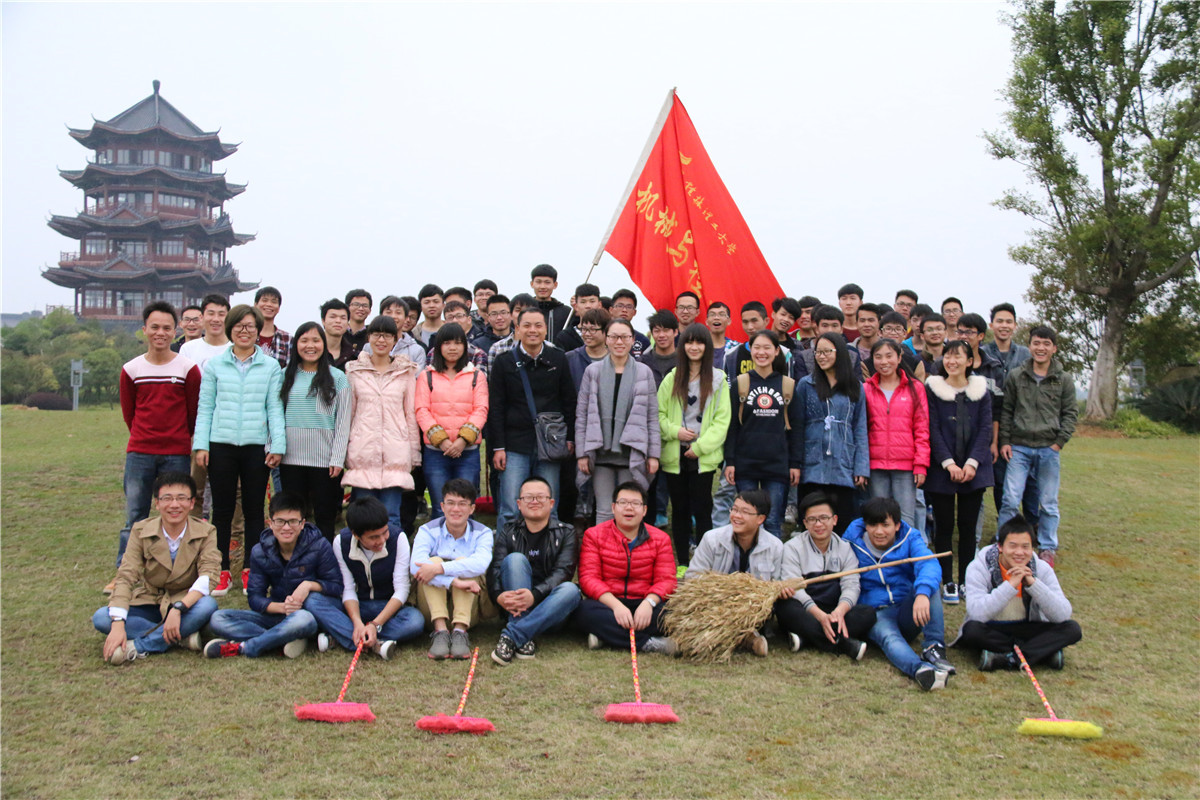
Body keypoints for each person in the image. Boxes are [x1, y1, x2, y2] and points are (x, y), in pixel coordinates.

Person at [193, 304, 286, 595]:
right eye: (239, 326)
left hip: (256, 446)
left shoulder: (270, 366)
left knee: (254, 510)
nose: (244, 331)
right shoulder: (215, 365)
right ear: (230, 329)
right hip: (221, 444)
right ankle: (220, 569)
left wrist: (278, 445)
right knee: (221, 510)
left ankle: (250, 568)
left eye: (250, 326)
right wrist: (201, 444)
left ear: (258, 331)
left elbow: (274, 408)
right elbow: (206, 407)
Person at [108, 302, 201, 593]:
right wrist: (143, 436)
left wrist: (181, 438)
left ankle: (177, 569)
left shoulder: (187, 368)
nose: (160, 333)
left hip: (176, 452)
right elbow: (130, 413)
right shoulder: (131, 369)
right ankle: (125, 572)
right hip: (140, 451)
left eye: (166, 328)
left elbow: (193, 411)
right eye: (155, 327)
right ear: (145, 329)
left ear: (175, 331)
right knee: (135, 514)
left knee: (176, 511)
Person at [92, 472, 219, 664]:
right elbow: (126, 575)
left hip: (186, 602)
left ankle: (139, 646)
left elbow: (208, 576)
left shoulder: (207, 532)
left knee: (208, 605)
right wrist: (117, 624)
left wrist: (178, 609)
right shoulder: (140, 530)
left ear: (192, 503)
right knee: (102, 617)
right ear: (157, 503)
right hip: (149, 600)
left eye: (181, 498)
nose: (174, 505)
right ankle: (181, 636)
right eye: (167, 498)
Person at [205, 492, 343, 658]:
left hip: (308, 615)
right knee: (218, 618)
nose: (286, 527)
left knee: (303, 619)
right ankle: (282, 638)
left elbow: (336, 586)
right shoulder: (260, 551)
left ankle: (246, 647)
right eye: (280, 521)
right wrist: (281, 607)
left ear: (302, 524)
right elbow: (255, 597)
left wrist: (308, 586)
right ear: (270, 523)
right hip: (278, 613)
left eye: (293, 521)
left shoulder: (319, 545)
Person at [845, 497, 955, 690]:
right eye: (873, 525)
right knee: (890, 638)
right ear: (865, 524)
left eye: (885, 525)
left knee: (928, 585)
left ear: (897, 525)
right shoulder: (851, 541)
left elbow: (928, 564)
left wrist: (921, 594)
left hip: (908, 609)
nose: (879, 531)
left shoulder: (910, 537)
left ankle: (934, 647)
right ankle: (921, 670)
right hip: (876, 613)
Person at [305, 496, 426, 659]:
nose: (382, 540)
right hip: (355, 605)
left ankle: (342, 636)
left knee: (415, 621)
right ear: (356, 535)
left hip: (386, 605)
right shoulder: (341, 542)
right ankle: (373, 643)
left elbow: (402, 589)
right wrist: (356, 622)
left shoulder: (399, 538)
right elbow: (347, 588)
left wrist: (375, 625)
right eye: (374, 537)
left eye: (385, 532)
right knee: (313, 601)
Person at [489, 307, 577, 530]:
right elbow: (496, 407)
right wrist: (498, 447)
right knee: (511, 507)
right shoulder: (504, 362)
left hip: (550, 444)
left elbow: (568, 401)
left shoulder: (558, 358)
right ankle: (506, 551)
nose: (533, 330)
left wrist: (570, 438)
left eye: (538, 325)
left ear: (546, 329)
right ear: (517, 329)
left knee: (548, 505)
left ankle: (549, 549)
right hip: (514, 444)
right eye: (526, 325)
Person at [955, 514, 1082, 670]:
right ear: (1000, 547)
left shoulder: (1041, 568)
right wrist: (1010, 585)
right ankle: (1040, 653)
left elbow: (1062, 614)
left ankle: (1008, 658)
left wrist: (1033, 584)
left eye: (1025, 547)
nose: (1019, 552)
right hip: (993, 627)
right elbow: (976, 613)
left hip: (1028, 627)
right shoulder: (979, 567)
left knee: (1072, 629)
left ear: (1032, 548)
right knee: (971, 630)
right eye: (1013, 546)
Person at [998, 326, 1077, 567]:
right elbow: (1007, 410)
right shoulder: (1016, 375)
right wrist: (1005, 441)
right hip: (1019, 447)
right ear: (1029, 346)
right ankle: (1003, 544)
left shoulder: (1063, 379)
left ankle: (1047, 547)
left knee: (1049, 502)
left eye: (1046, 344)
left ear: (1054, 348)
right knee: (1011, 499)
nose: (1040, 348)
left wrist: (1058, 443)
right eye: (1036, 343)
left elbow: (1070, 413)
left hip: (1048, 448)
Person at [925, 339, 994, 604]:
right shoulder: (933, 389)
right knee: (943, 527)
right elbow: (932, 429)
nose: (952, 361)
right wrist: (948, 463)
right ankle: (948, 581)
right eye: (947, 356)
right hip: (942, 469)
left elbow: (985, 429)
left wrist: (972, 463)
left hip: (973, 470)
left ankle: (966, 580)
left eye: (958, 357)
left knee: (967, 527)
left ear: (970, 361)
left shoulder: (981, 390)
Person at [486, 477, 581, 665]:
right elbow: (495, 568)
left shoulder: (566, 532)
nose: (534, 501)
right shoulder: (508, 530)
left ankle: (514, 635)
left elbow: (563, 572)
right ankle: (524, 634)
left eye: (540, 497)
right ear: (519, 504)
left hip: (550, 607)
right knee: (515, 560)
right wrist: (498, 596)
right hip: (515, 606)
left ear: (551, 503)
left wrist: (535, 595)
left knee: (571, 590)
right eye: (529, 497)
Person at [658, 324, 731, 565]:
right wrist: (675, 432)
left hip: (702, 456)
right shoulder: (672, 378)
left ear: (707, 346)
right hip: (675, 453)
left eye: (699, 342)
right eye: (689, 342)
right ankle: (682, 563)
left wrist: (699, 448)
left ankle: (703, 564)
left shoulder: (719, 379)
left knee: (702, 510)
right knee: (679, 510)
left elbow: (722, 420)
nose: (694, 347)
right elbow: (658, 415)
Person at [576, 482, 678, 653]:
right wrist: (616, 606)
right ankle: (650, 643)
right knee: (583, 611)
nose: (629, 508)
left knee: (675, 613)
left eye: (635, 503)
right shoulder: (594, 535)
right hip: (609, 602)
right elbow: (588, 578)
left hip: (645, 602)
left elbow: (667, 580)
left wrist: (649, 603)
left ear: (644, 510)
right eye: (623, 502)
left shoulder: (660, 539)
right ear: (613, 507)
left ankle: (606, 635)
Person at [576, 318, 661, 523]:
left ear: (632, 340)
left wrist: (653, 455)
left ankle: (627, 545)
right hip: (600, 452)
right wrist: (581, 453)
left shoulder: (643, 372)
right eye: (614, 337)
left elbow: (651, 416)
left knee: (628, 510)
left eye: (624, 337)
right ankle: (603, 545)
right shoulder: (593, 371)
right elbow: (582, 415)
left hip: (631, 453)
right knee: (604, 510)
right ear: (606, 339)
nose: (619, 342)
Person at [342, 315, 421, 533]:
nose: (381, 340)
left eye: (387, 335)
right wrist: (345, 449)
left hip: (396, 452)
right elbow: (349, 414)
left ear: (395, 339)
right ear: (369, 337)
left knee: (391, 516)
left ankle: (394, 555)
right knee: (363, 517)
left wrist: (414, 453)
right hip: (363, 451)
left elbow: (410, 415)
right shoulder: (354, 371)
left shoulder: (406, 372)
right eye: (377, 334)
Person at [775, 491, 877, 659]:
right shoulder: (792, 548)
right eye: (812, 519)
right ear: (805, 523)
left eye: (824, 518)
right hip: (807, 609)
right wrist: (819, 615)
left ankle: (806, 638)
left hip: (833, 608)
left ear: (834, 520)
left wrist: (840, 611)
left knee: (868, 613)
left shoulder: (845, 548)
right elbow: (794, 587)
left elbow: (851, 584)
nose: (818, 524)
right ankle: (842, 644)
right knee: (785, 607)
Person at [723, 331, 802, 539]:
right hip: (745, 463)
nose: (762, 352)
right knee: (746, 520)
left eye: (767, 348)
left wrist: (795, 463)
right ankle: (746, 560)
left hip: (777, 464)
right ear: (750, 350)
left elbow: (796, 428)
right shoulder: (740, 383)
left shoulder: (787, 385)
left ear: (776, 351)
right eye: (757, 347)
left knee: (773, 521)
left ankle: (772, 561)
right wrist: (730, 461)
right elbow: (732, 426)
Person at [685, 489, 783, 656]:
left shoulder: (775, 546)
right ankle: (747, 639)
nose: (736, 516)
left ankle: (728, 638)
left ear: (760, 519)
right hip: (714, 603)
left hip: (753, 609)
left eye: (744, 512)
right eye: (735, 509)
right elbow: (692, 577)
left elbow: (777, 584)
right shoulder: (711, 539)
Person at [278, 321, 352, 541]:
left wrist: (337, 458)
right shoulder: (284, 375)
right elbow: (275, 415)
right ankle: (295, 555)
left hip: (325, 460)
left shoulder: (338, 377)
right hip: (290, 458)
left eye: (315, 340)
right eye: (304, 340)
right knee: (294, 515)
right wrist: (274, 447)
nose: (310, 346)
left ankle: (325, 557)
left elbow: (343, 421)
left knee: (325, 516)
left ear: (324, 344)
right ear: (296, 345)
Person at [410, 479, 495, 660]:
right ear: (442, 506)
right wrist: (453, 581)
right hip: (431, 609)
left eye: (462, 504)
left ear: (472, 509)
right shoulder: (427, 530)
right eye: (450, 503)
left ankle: (460, 631)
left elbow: (481, 564)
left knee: (462, 563)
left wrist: (439, 568)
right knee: (431, 562)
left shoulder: (483, 533)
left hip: (468, 608)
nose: (456, 509)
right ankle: (440, 631)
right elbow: (415, 566)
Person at [795, 333, 869, 534]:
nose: (822, 356)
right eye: (818, 352)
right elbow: (798, 426)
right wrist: (796, 463)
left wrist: (861, 468)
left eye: (827, 351)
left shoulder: (856, 387)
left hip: (843, 462)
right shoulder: (806, 385)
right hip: (812, 463)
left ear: (840, 353)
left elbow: (860, 428)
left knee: (842, 522)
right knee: (812, 521)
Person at [415, 323, 489, 515]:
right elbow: (422, 410)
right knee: (440, 507)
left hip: (468, 451)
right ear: (438, 346)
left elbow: (481, 409)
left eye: (457, 343)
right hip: (435, 452)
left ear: (465, 346)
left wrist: (463, 440)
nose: (453, 348)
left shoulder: (476, 375)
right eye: (447, 343)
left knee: (465, 506)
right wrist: (442, 440)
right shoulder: (426, 376)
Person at [982, 302, 1039, 527]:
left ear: (1015, 325)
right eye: (999, 321)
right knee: (1000, 479)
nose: (1004, 326)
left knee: (1031, 480)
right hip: (994, 425)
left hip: (1023, 425)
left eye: (1008, 322)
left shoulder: (1026, 355)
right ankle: (1007, 525)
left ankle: (1033, 524)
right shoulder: (983, 353)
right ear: (991, 325)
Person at [863, 339, 929, 529]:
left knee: (906, 518)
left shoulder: (915, 388)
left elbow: (922, 428)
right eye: (878, 357)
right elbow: (861, 429)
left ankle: (906, 549)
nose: (884, 361)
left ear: (899, 358)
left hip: (905, 465)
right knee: (878, 517)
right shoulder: (866, 389)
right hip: (875, 464)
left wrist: (921, 464)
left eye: (889, 356)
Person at [487, 292, 538, 369]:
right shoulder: (497, 348)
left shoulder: (547, 348)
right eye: (518, 310)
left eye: (528, 310)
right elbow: (493, 376)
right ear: (510, 315)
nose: (523, 314)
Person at [179, 293, 230, 368]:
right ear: (201, 317)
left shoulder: (237, 349)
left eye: (221, 314)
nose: (216, 319)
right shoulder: (188, 349)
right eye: (211, 314)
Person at [566, 308, 611, 388]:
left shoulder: (616, 358)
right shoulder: (570, 358)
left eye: (592, 329)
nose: (587, 334)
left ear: (606, 331)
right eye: (584, 329)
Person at [378, 296, 427, 368]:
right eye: (389, 312)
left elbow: (418, 374)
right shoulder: (370, 346)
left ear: (405, 318)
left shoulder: (417, 350)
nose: (393, 316)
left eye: (398, 313)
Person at [723, 301, 770, 376]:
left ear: (766, 321)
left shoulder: (782, 352)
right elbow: (728, 381)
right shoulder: (731, 354)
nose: (750, 327)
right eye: (745, 322)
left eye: (754, 321)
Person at [554, 283, 603, 351]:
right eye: (583, 302)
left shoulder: (608, 332)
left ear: (599, 305)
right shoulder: (564, 336)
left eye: (592, 301)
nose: (588, 306)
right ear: (576, 306)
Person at [530, 263, 572, 336]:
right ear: (532, 284)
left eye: (547, 282)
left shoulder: (567, 313)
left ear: (555, 285)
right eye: (538, 282)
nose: (542, 286)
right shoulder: (525, 310)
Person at [254, 286, 291, 368]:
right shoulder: (247, 334)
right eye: (265, 300)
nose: (269, 304)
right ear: (255, 305)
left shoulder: (288, 339)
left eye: (274, 302)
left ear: (278, 308)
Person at [640, 309, 679, 386]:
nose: (661, 335)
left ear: (675, 332)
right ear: (652, 333)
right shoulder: (641, 363)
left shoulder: (684, 362)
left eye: (666, 330)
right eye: (657, 331)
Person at [610, 289, 651, 357]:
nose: (624, 310)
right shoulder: (602, 336)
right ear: (611, 310)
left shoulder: (642, 340)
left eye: (629, 307)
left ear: (634, 312)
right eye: (620, 306)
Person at [320, 298, 355, 369]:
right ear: (323, 321)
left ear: (348, 323)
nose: (338, 321)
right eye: (333, 317)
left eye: (343, 318)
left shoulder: (354, 356)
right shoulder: (313, 350)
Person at [343, 289, 373, 356]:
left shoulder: (373, 334)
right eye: (356, 304)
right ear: (347, 308)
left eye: (365, 306)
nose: (360, 308)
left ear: (370, 310)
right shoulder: (339, 332)